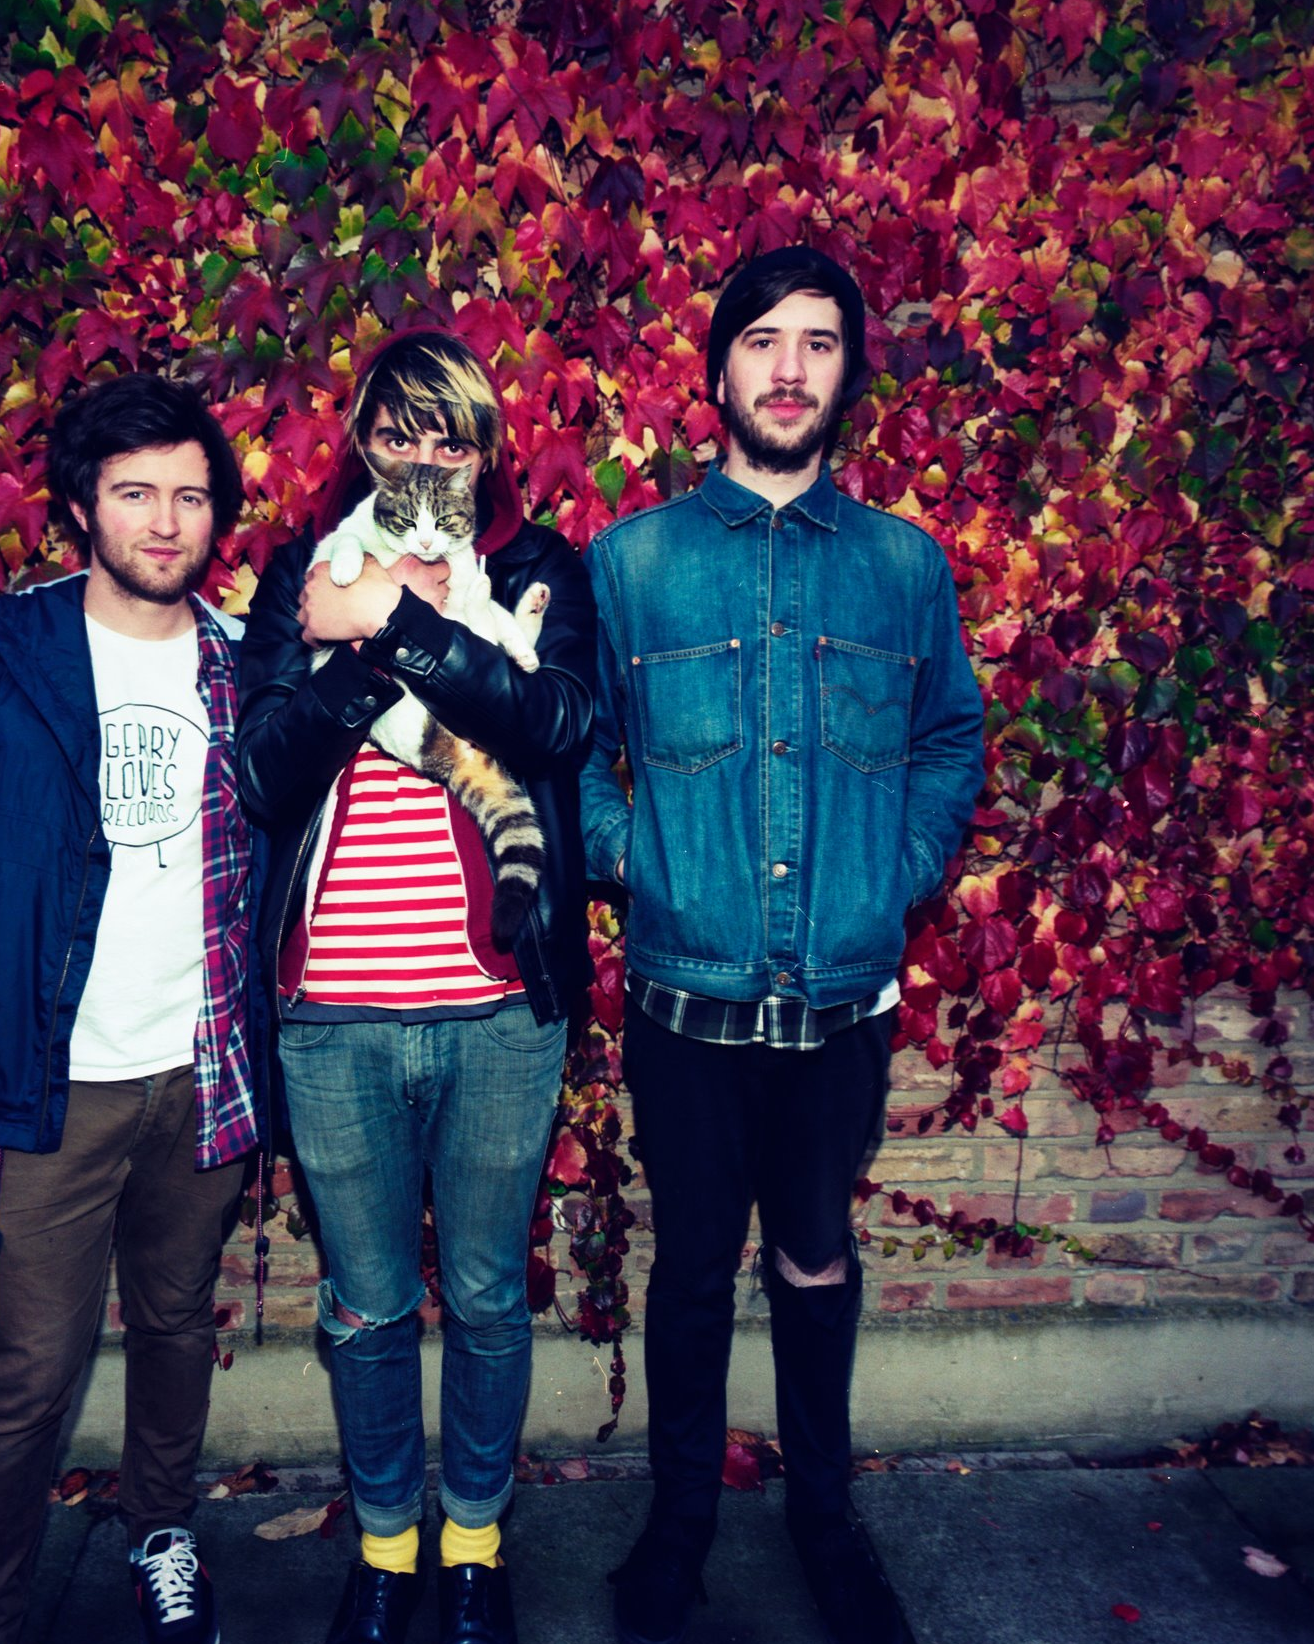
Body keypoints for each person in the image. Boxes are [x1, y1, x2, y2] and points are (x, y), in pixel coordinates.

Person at [580, 247, 984, 1644]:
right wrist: (638, 862)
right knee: (692, 1268)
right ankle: (677, 1528)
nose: (790, 367)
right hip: (683, 1002)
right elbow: (573, 748)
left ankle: (824, 1520)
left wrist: (894, 877)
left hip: (839, 1004)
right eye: (762, 339)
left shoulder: (900, 567)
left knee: (815, 1256)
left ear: (846, 372)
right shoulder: (630, 564)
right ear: (719, 369)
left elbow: (947, 741)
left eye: (817, 341)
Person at [0, 372, 263, 1644]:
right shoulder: (3, 652)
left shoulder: (240, 660)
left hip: (201, 1073)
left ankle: (162, 1531)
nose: (165, 521)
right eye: (135, 493)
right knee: (29, 1371)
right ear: (81, 507)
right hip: (49, 1079)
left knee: (175, 1328)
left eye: (190, 497)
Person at [235, 331, 596, 1644]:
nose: (423, 456)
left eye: (449, 434)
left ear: (485, 448)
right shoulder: (301, 573)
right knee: (369, 1307)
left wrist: (400, 625)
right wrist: (353, 651)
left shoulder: (541, 570)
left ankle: (474, 1549)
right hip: (333, 1014)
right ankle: (387, 1551)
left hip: (499, 1012)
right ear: (363, 443)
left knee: (490, 1298)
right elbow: (261, 773)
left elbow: (559, 727)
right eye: (397, 432)